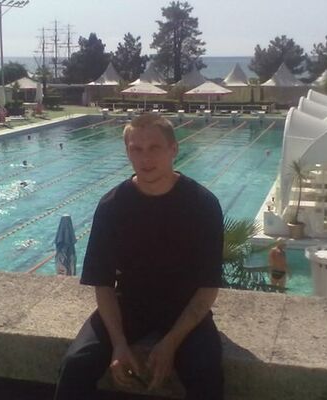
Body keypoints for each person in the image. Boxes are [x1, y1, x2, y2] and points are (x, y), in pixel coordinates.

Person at [54, 114, 224, 400]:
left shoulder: (202, 204)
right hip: (128, 305)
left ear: (173, 149)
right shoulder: (112, 205)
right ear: (127, 152)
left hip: (183, 307)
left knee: (206, 372)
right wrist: (119, 344)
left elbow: (208, 288)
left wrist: (170, 344)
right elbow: (103, 284)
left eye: (154, 148)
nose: (145, 158)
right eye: (136, 149)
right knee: (76, 364)